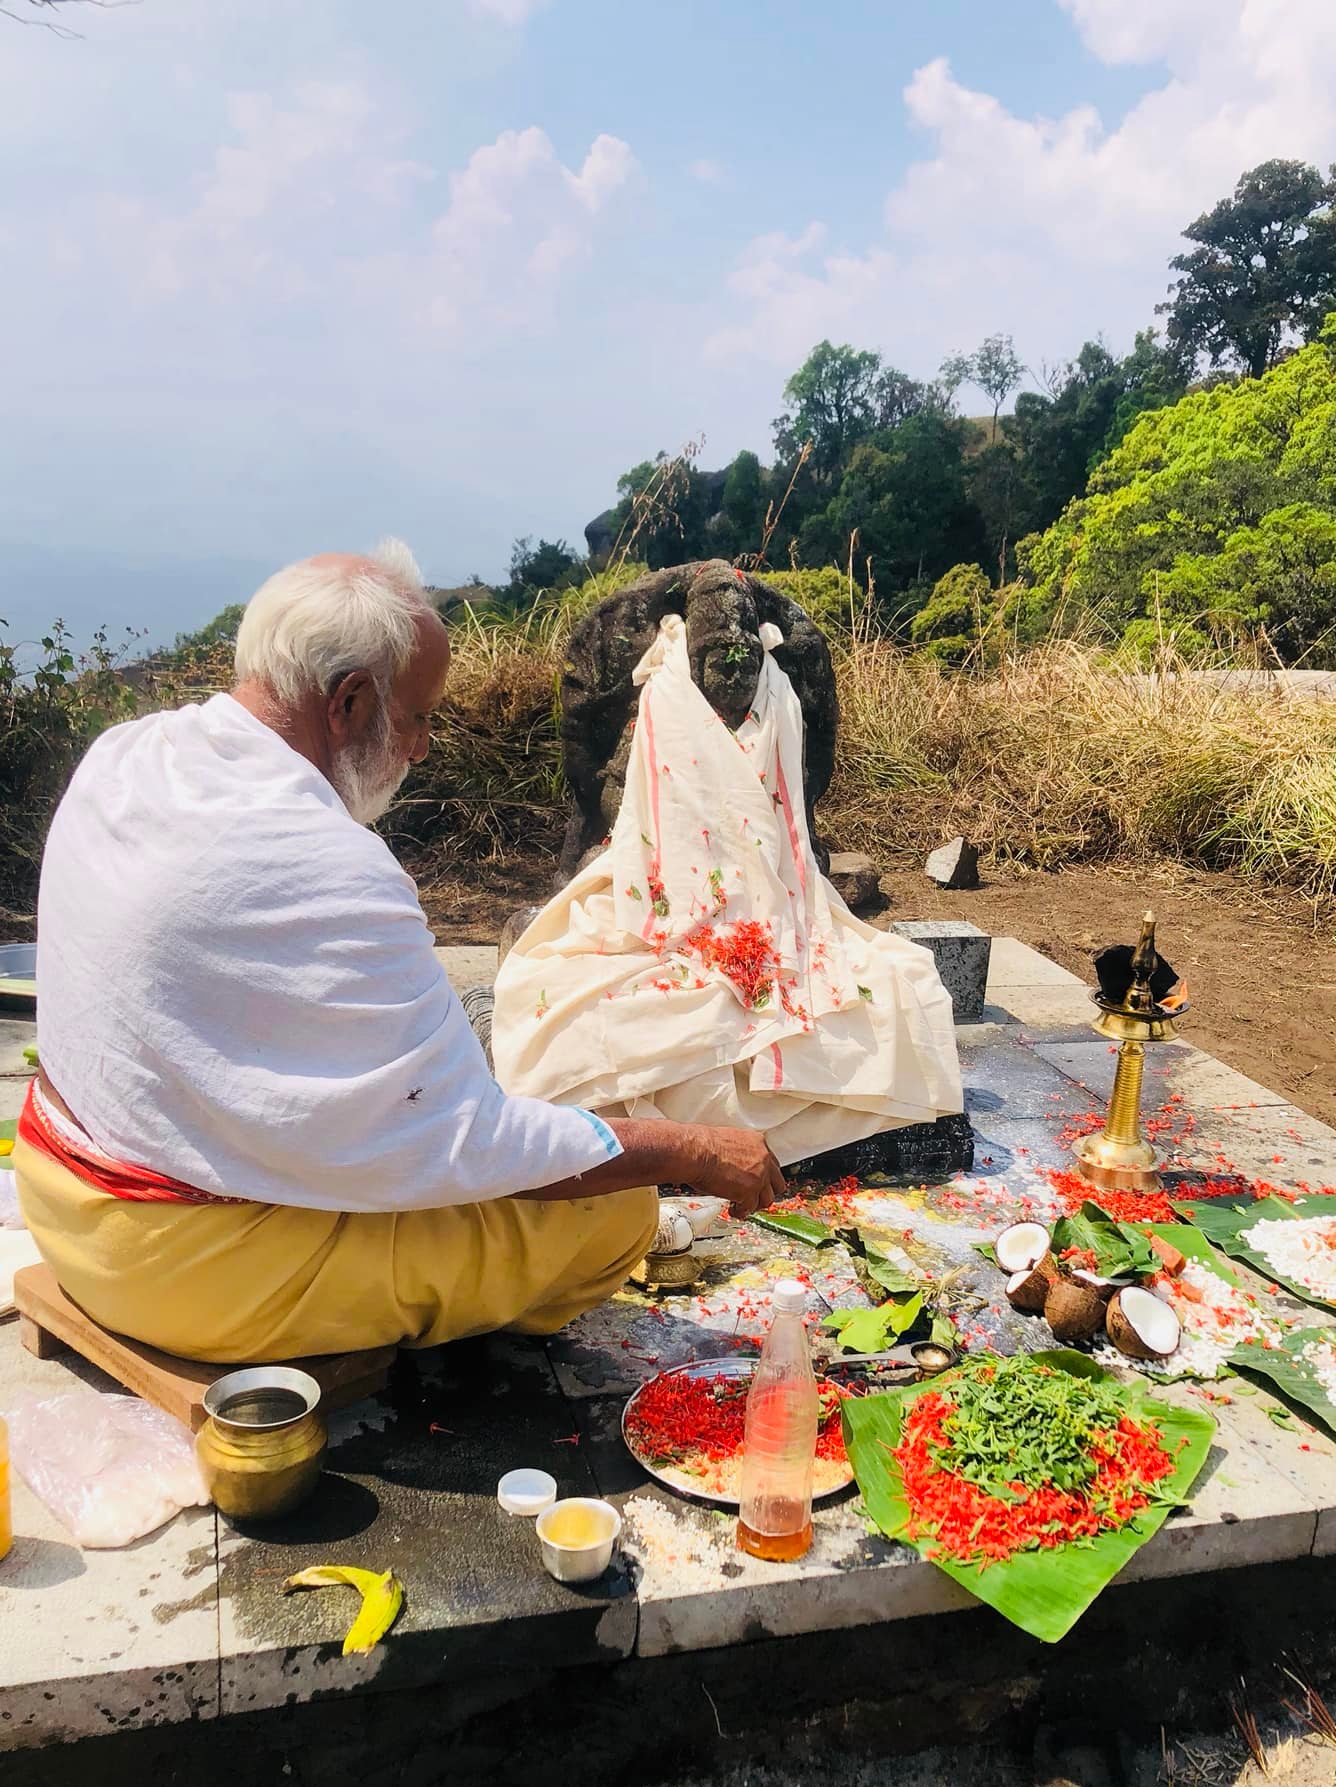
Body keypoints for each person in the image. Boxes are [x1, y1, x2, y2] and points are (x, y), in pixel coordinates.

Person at [14, 542, 785, 1364]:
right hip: (174, 1268)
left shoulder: (124, 753)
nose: (419, 748)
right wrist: (693, 1149)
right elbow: (473, 1145)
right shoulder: (334, 865)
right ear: (347, 702)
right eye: (417, 718)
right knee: (610, 1214)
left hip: (53, 1193)